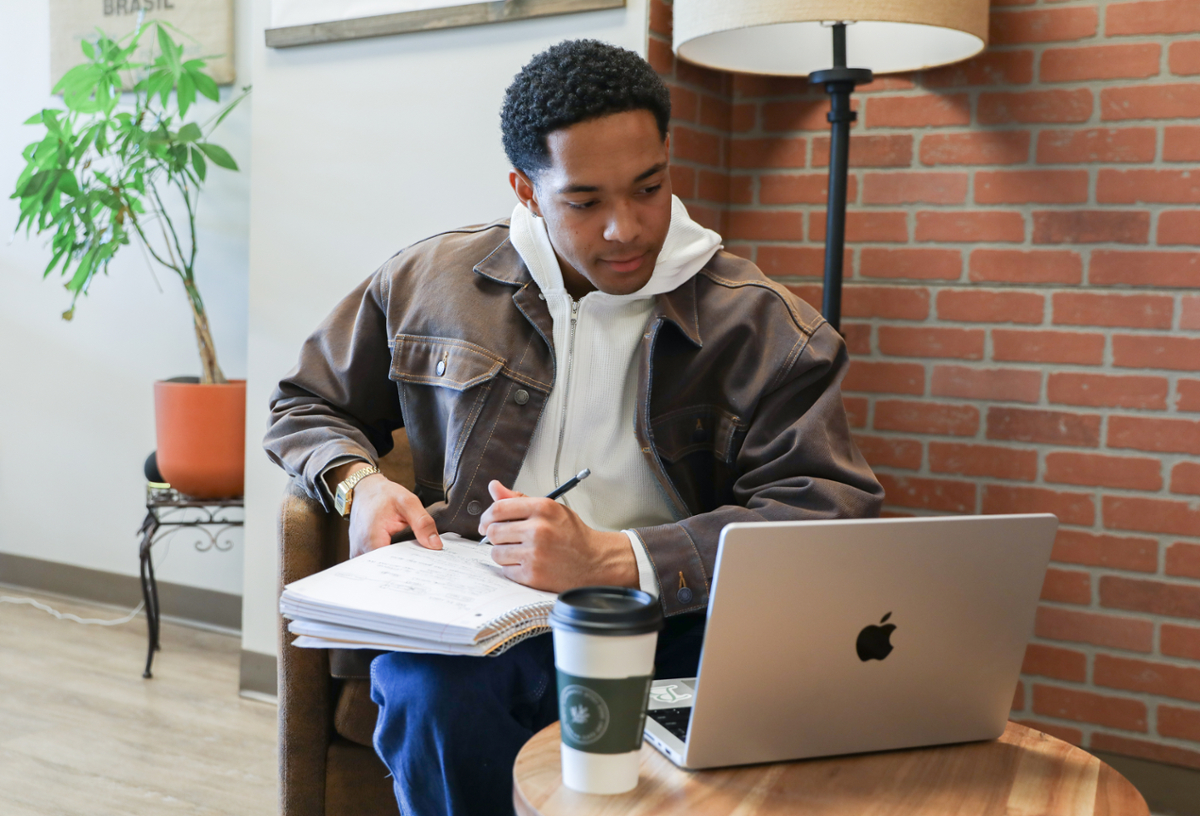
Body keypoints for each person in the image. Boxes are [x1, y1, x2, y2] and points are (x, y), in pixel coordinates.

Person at [264, 38, 883, 816]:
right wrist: (359, 484)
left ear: (668, 161)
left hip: (682, 625)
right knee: (427, 692)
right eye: (585, 201)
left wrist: (616, 559)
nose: (625, 229)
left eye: (648, 188)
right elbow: (305, 401)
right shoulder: (430, 281)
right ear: (526, 188)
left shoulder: (766, 327)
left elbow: (829, 511)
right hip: (482, 626)